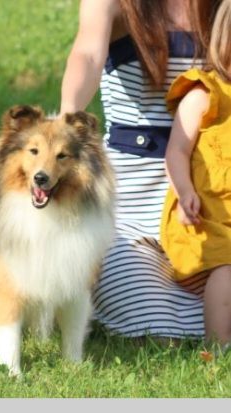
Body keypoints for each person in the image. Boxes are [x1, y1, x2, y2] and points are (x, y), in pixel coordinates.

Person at [60, 0, 221, 340]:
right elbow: (88, 53)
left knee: (220, 296)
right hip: (130, 201)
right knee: (151, 318)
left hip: (212, 197)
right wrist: (67, 116)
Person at [160, 0, 231, 347]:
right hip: (206, 218)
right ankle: (218, 345)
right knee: (228, 267)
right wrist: (185, 190)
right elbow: (176, 151)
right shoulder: (205, 93)